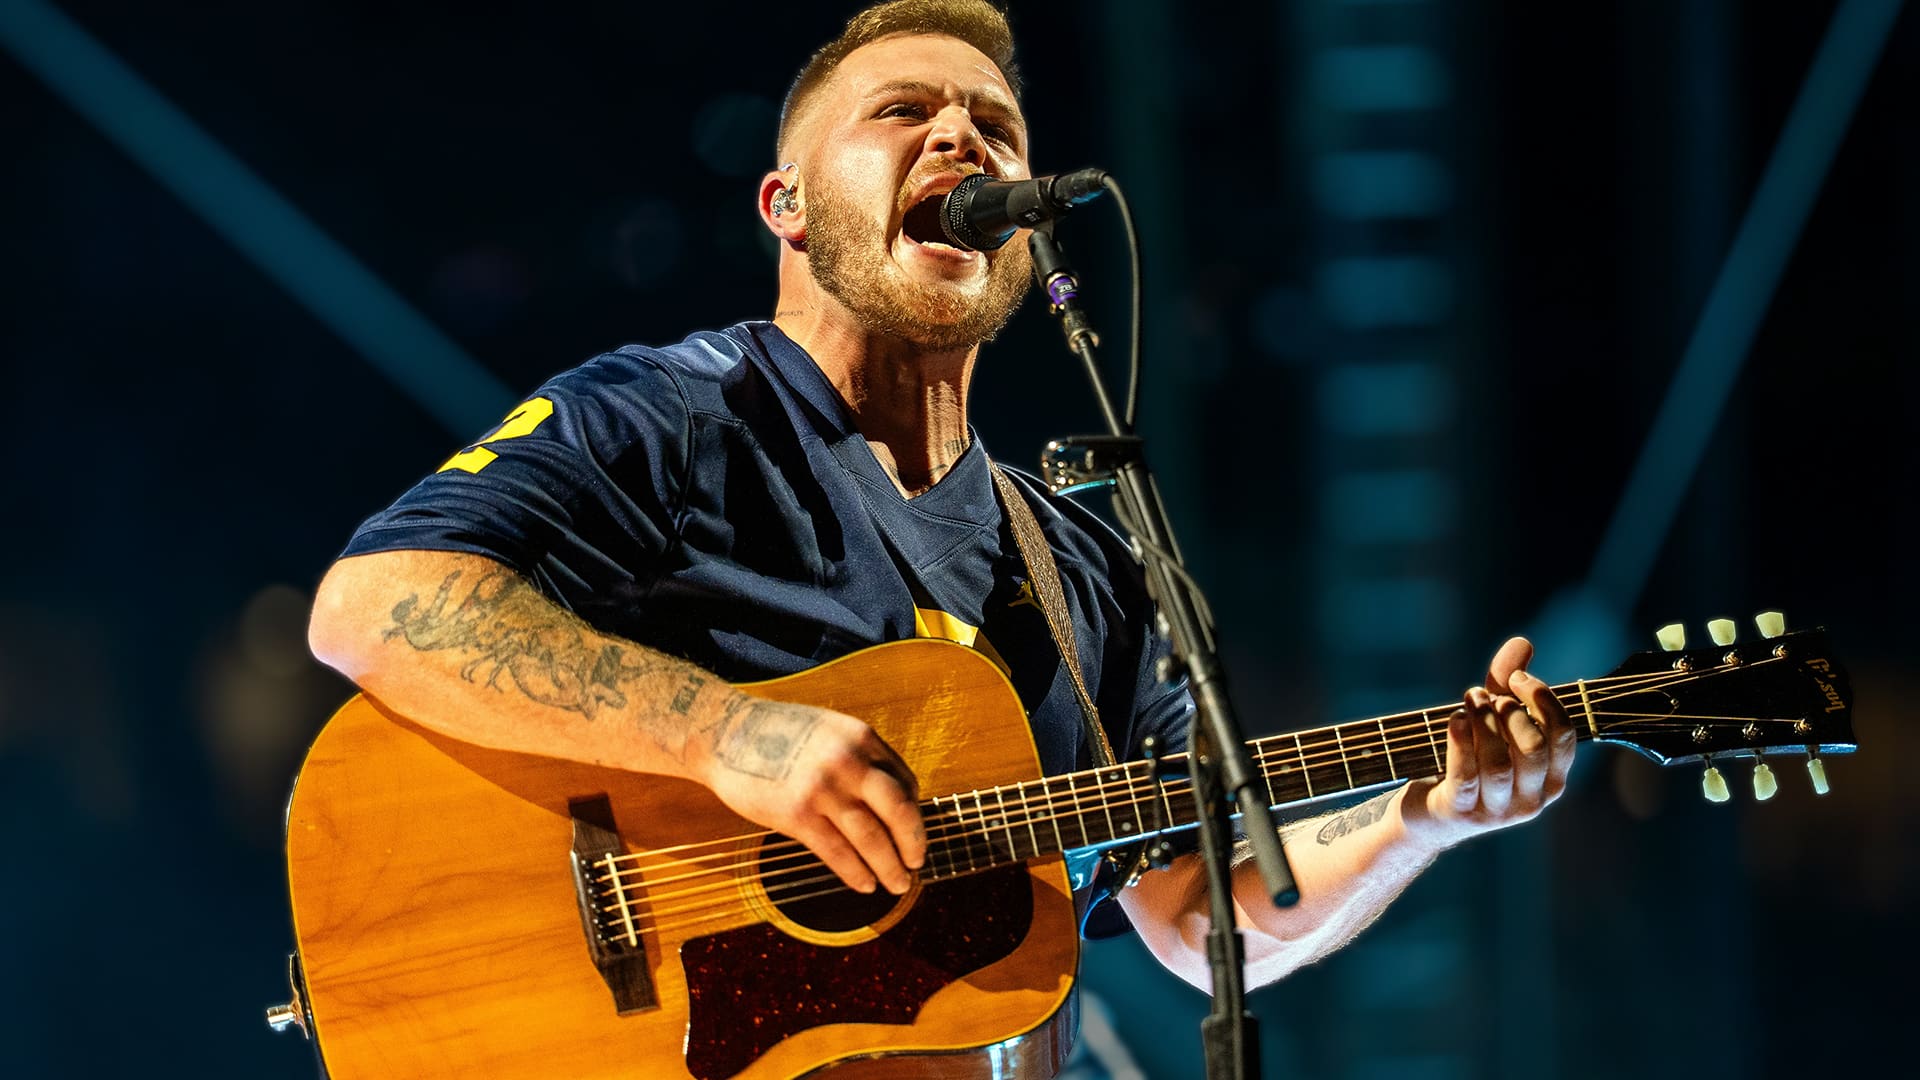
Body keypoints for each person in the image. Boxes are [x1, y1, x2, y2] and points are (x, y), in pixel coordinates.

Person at [308, 0, 1571, 1026]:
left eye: (996, 127)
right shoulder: (669, 416)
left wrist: (1426, 818)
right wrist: (728, 741)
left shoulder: (1090, 573)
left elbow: (1208, 923)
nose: (963, 142)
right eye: (904, 112)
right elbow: (374, 605)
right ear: (787, 206)